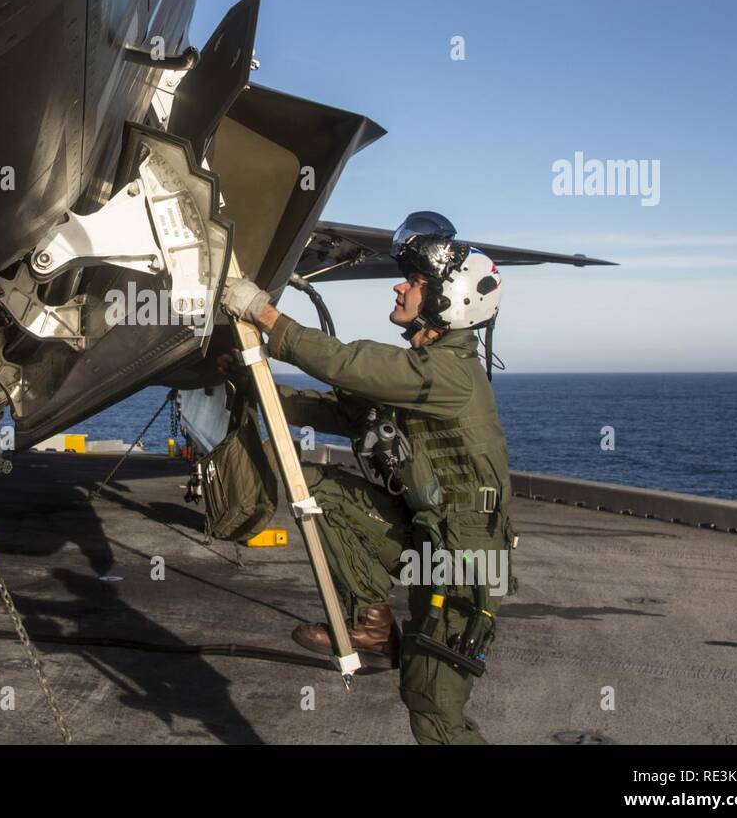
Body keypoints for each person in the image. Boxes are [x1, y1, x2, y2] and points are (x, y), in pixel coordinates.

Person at [219, 212, 516, 744]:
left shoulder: (448, 374)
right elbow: (345, 411)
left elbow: (346, 363)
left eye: (417, 283)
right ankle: (374, 626)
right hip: (425, 536)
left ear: (449, 303)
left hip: (465, 562)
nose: (401, 286)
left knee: (432, 705)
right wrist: (253, 381)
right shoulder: (421, 373)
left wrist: (264, 315)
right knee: (317, 489)